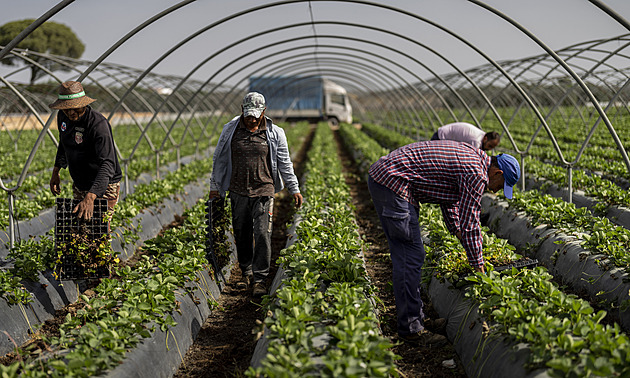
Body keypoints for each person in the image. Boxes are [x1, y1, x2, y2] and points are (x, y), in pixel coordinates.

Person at [367, 140, 520, 346]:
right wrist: (478, 265)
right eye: (499, 187)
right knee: (410, 255)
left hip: (392, 180)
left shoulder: (474, 159)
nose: (495, 192)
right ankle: (411, 329)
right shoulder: (476, 174)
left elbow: (448, 198)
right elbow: (471, 223)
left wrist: (456, 230)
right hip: (393, 183)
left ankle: (416, 318)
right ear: (497, 174)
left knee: (412, 254)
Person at [209, 92, 303, 297]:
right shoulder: (230, 130)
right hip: (237, 190)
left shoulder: (275, 133)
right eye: (248, 114)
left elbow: (285, 162)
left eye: (255, 115)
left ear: (264, 112)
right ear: (242, 110)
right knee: (242, 233)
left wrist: (293, 187)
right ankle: (246, 273)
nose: (251, 119)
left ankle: (260, 279)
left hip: (264, 190)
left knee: (262, 234)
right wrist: (215, 186)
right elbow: (220, 160)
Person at [49, 81, 122, 223]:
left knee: (98, 228)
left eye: (75, 108)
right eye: (66, 108)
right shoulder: (62, 117)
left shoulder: (98, 125)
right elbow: (63, 144)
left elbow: (107, 164)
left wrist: (91, 196)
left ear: (83, 103)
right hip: (80, 182)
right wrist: (56, 171)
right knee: (80, 226)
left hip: (104, 184)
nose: (71, 112)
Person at [430, 122, 500, 151]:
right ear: (485, 139)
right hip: (441, 137)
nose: (490, 149)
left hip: (444, 136)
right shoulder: (476, 141)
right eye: (490, 146)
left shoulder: (481, 135)